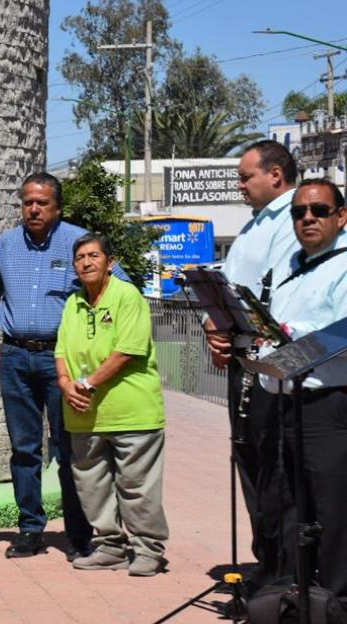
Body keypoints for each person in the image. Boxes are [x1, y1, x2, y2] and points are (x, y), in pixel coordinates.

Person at [0, 173, 132, 560]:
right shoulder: (6, 244)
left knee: (70, 449)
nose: (33, 208)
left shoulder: (79, 243)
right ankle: (30, 529)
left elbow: (120, 287)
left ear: (58, 207)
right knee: (24, 449)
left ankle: (79, 534)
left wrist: (105, 338)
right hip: (15, 356)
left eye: (42, 203)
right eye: (28, 202)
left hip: (62, 360)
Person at [204, 140, 301, 586]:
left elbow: (281, 294)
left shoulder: (293, 223)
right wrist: (215, 325)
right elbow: (233, 285)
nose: (240, 186)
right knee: (249, 460)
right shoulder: (255, 225)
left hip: (274, 363)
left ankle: (286, 569)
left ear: (275, 175)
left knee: (274, 467)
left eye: (246, 177)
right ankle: (267, 560)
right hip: (243, 357)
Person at [55, 233, 168, 577]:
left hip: (132, 411)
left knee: (136, 486)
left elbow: (127, 350)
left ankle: (149, 549)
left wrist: (87, 383)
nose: (86, 263)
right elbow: (60, 351)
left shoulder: (127, 296)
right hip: (84, 414)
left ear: (110, 262)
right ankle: (109, 547)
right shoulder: (74, 302)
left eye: (93, 256)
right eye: (80, 258)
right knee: (93, 487)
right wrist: (65, 384)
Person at [256, 179, 347, 601]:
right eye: (298, 212)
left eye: (319, 210)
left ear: (341, 216)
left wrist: (285, 346)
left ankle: (336, 601)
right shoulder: (290, 267)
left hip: (328, 405)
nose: (307, 218)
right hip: (285, 402)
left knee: (332, 511)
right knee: (290, 505)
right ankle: (297, 596)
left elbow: (341, 334)